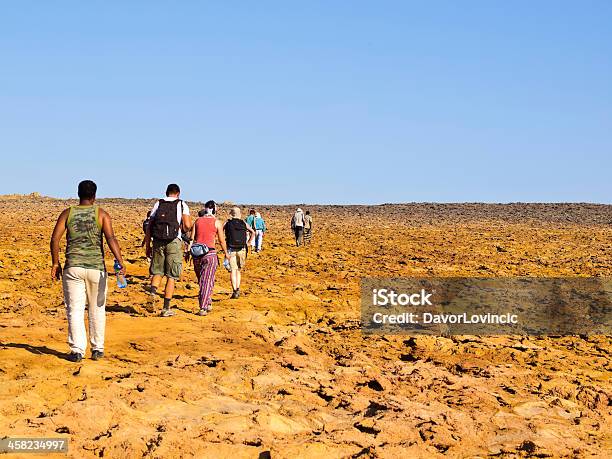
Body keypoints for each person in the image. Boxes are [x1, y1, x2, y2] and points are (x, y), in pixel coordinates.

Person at [50, 180, 126, 363]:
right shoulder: (102, 214)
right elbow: (111, 238)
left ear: (78, 194)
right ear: (94, 196)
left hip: (73, 267)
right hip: (96, 269)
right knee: (97, 309)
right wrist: (120, 260)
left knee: (74, 310)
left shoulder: (67, 214)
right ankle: (97, 349)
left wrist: (55, 263)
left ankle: (77, 350)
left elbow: (55, 239)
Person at [144, 184, 192, 317]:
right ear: (178, 193)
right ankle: (166, 308)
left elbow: (149, 226)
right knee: (171, 275)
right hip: (174, 241)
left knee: (157, 271)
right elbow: (187, 225)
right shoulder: (182, 204)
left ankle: (152, 293)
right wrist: (184, 229)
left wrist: (148, 245)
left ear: (166, 192)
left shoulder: (158, 203)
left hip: (158, 240)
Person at [190, 200, 228, 316]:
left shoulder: (197, 221)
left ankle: (208, 302)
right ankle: (203, 307)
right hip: (209, 254)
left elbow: (192, 238)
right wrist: (226, 253)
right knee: (207, 280)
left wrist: (187, 252)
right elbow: (221, 240)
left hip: (196, 254)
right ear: (215, 210)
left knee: (202, 279)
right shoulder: (217, 223)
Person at [224, 207, 255, 299]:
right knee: (238, 270)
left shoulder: (227, 223)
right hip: (242, 249)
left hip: (231, 248)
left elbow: (220, 231)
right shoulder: (243, 223)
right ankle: (238, 288)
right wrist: (249, 242)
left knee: (233, 270)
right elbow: (253, 232)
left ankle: (234, 290)